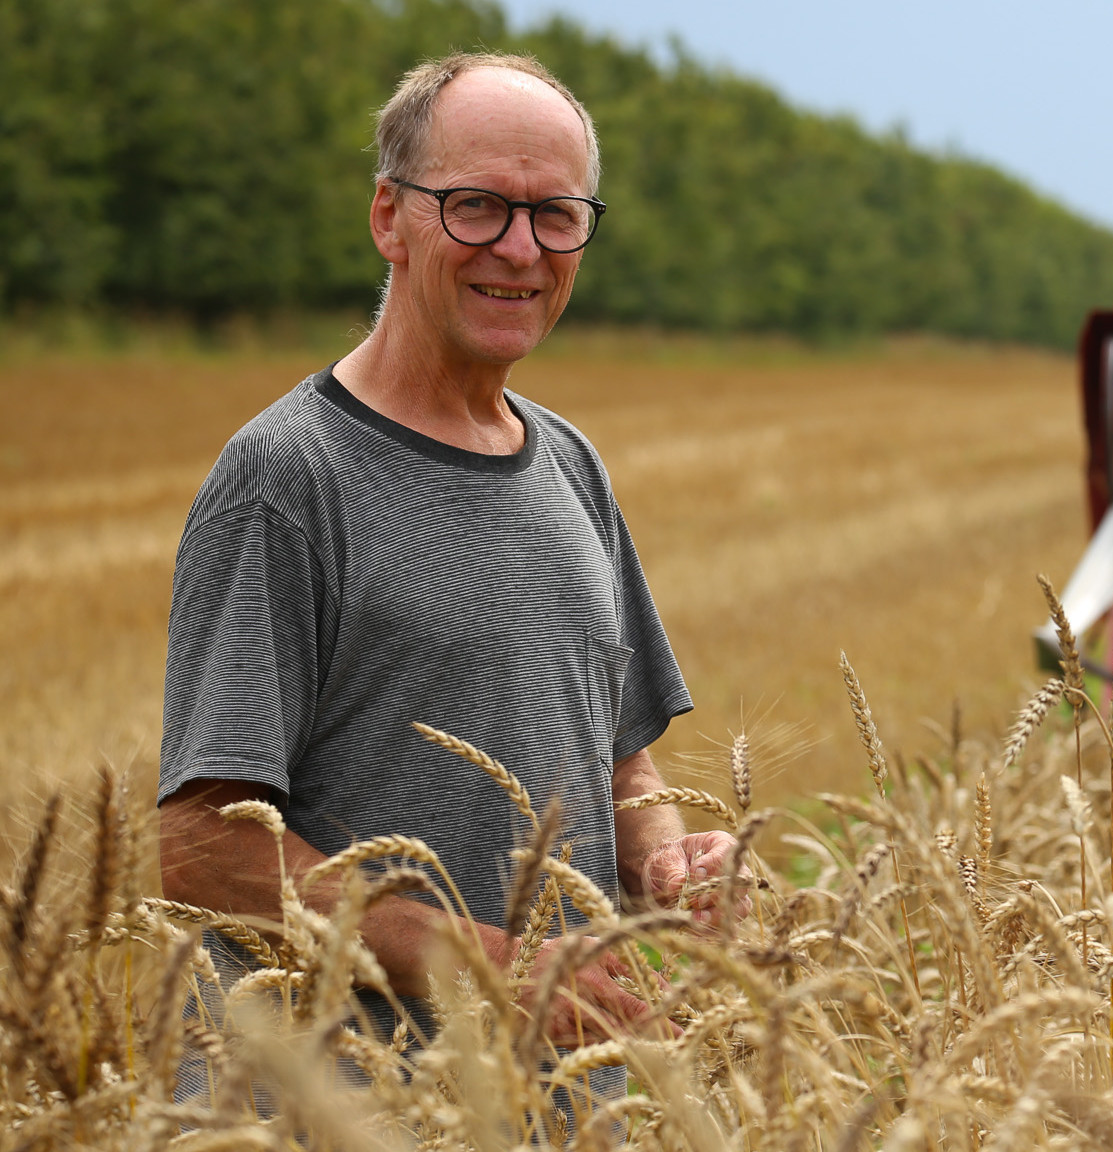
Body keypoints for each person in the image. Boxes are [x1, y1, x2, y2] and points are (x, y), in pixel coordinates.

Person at [156, 52, 738, 1058]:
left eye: (556, 215)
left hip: (562, 1103)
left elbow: (616, 750)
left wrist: (665, 864)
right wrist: (473, 959)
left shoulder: (571, 464)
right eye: (476, 207)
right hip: (348, 1110)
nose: (519, 248)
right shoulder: (285, 479)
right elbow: (201, 847)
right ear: (390, 217)